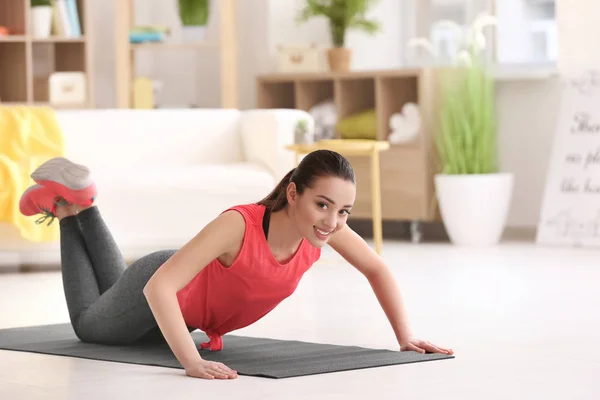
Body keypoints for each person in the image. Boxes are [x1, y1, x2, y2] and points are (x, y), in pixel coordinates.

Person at [19, 150, 453, 381]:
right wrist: (190, 362)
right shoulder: (240, 225)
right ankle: (69, 208)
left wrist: (406, 338)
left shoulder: (321, 230)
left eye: (344, 211)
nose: (333, 221)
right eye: (324, 205)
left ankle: (78, 201)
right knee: (88, 326)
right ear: (293, 193)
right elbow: (157, 289)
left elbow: (377, 269)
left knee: (110, 289)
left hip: (173, 297)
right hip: (162, 287)